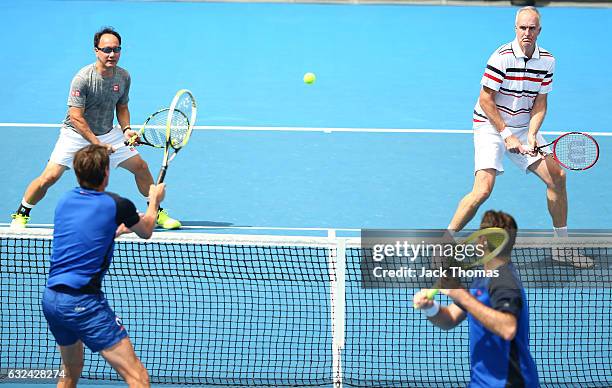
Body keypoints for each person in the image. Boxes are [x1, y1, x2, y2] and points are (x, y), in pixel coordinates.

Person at [447, 7, 591, 268]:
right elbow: (485, 99)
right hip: (490, 124)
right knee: (483, 190)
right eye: (522, 28)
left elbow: (540, 103)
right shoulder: (501, 57)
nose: (527, 32)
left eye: (532, 28)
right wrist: (505, 134)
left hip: (524, 125)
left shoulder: (547, 61)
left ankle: (562, 247)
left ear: (539, 30)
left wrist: (532, 134)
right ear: (516, 29)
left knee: (558, 177)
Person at [10, 26, 180, 230]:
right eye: (107, 49)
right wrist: (97, 144)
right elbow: (76, 117)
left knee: (141, 167)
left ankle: (156, 211)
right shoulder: (83, 79)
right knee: (50, 177)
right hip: (75, 134)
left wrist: (126, 129)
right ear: (96, 51)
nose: (112, 54)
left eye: (116, 49)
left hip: (108, 133)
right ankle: (22, 212)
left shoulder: (124, 76)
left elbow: (122, 106)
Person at [42, 144, 163, 388]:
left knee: (70, 370)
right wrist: (155, 200)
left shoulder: (65, 201)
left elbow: (83, 233)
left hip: (52, 300)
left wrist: (112, 232)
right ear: (107, 173)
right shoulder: (118, 205)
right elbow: (147, 229)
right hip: (83, 304)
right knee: (138, 377)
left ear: (77, 173)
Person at [414, 210, 539, 388]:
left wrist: (461, 295)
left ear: (484, 240)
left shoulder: (504, 280)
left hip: (509, 383)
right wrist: (430, 307)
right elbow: (449, 319)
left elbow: (508, 327)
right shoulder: (482, 278)